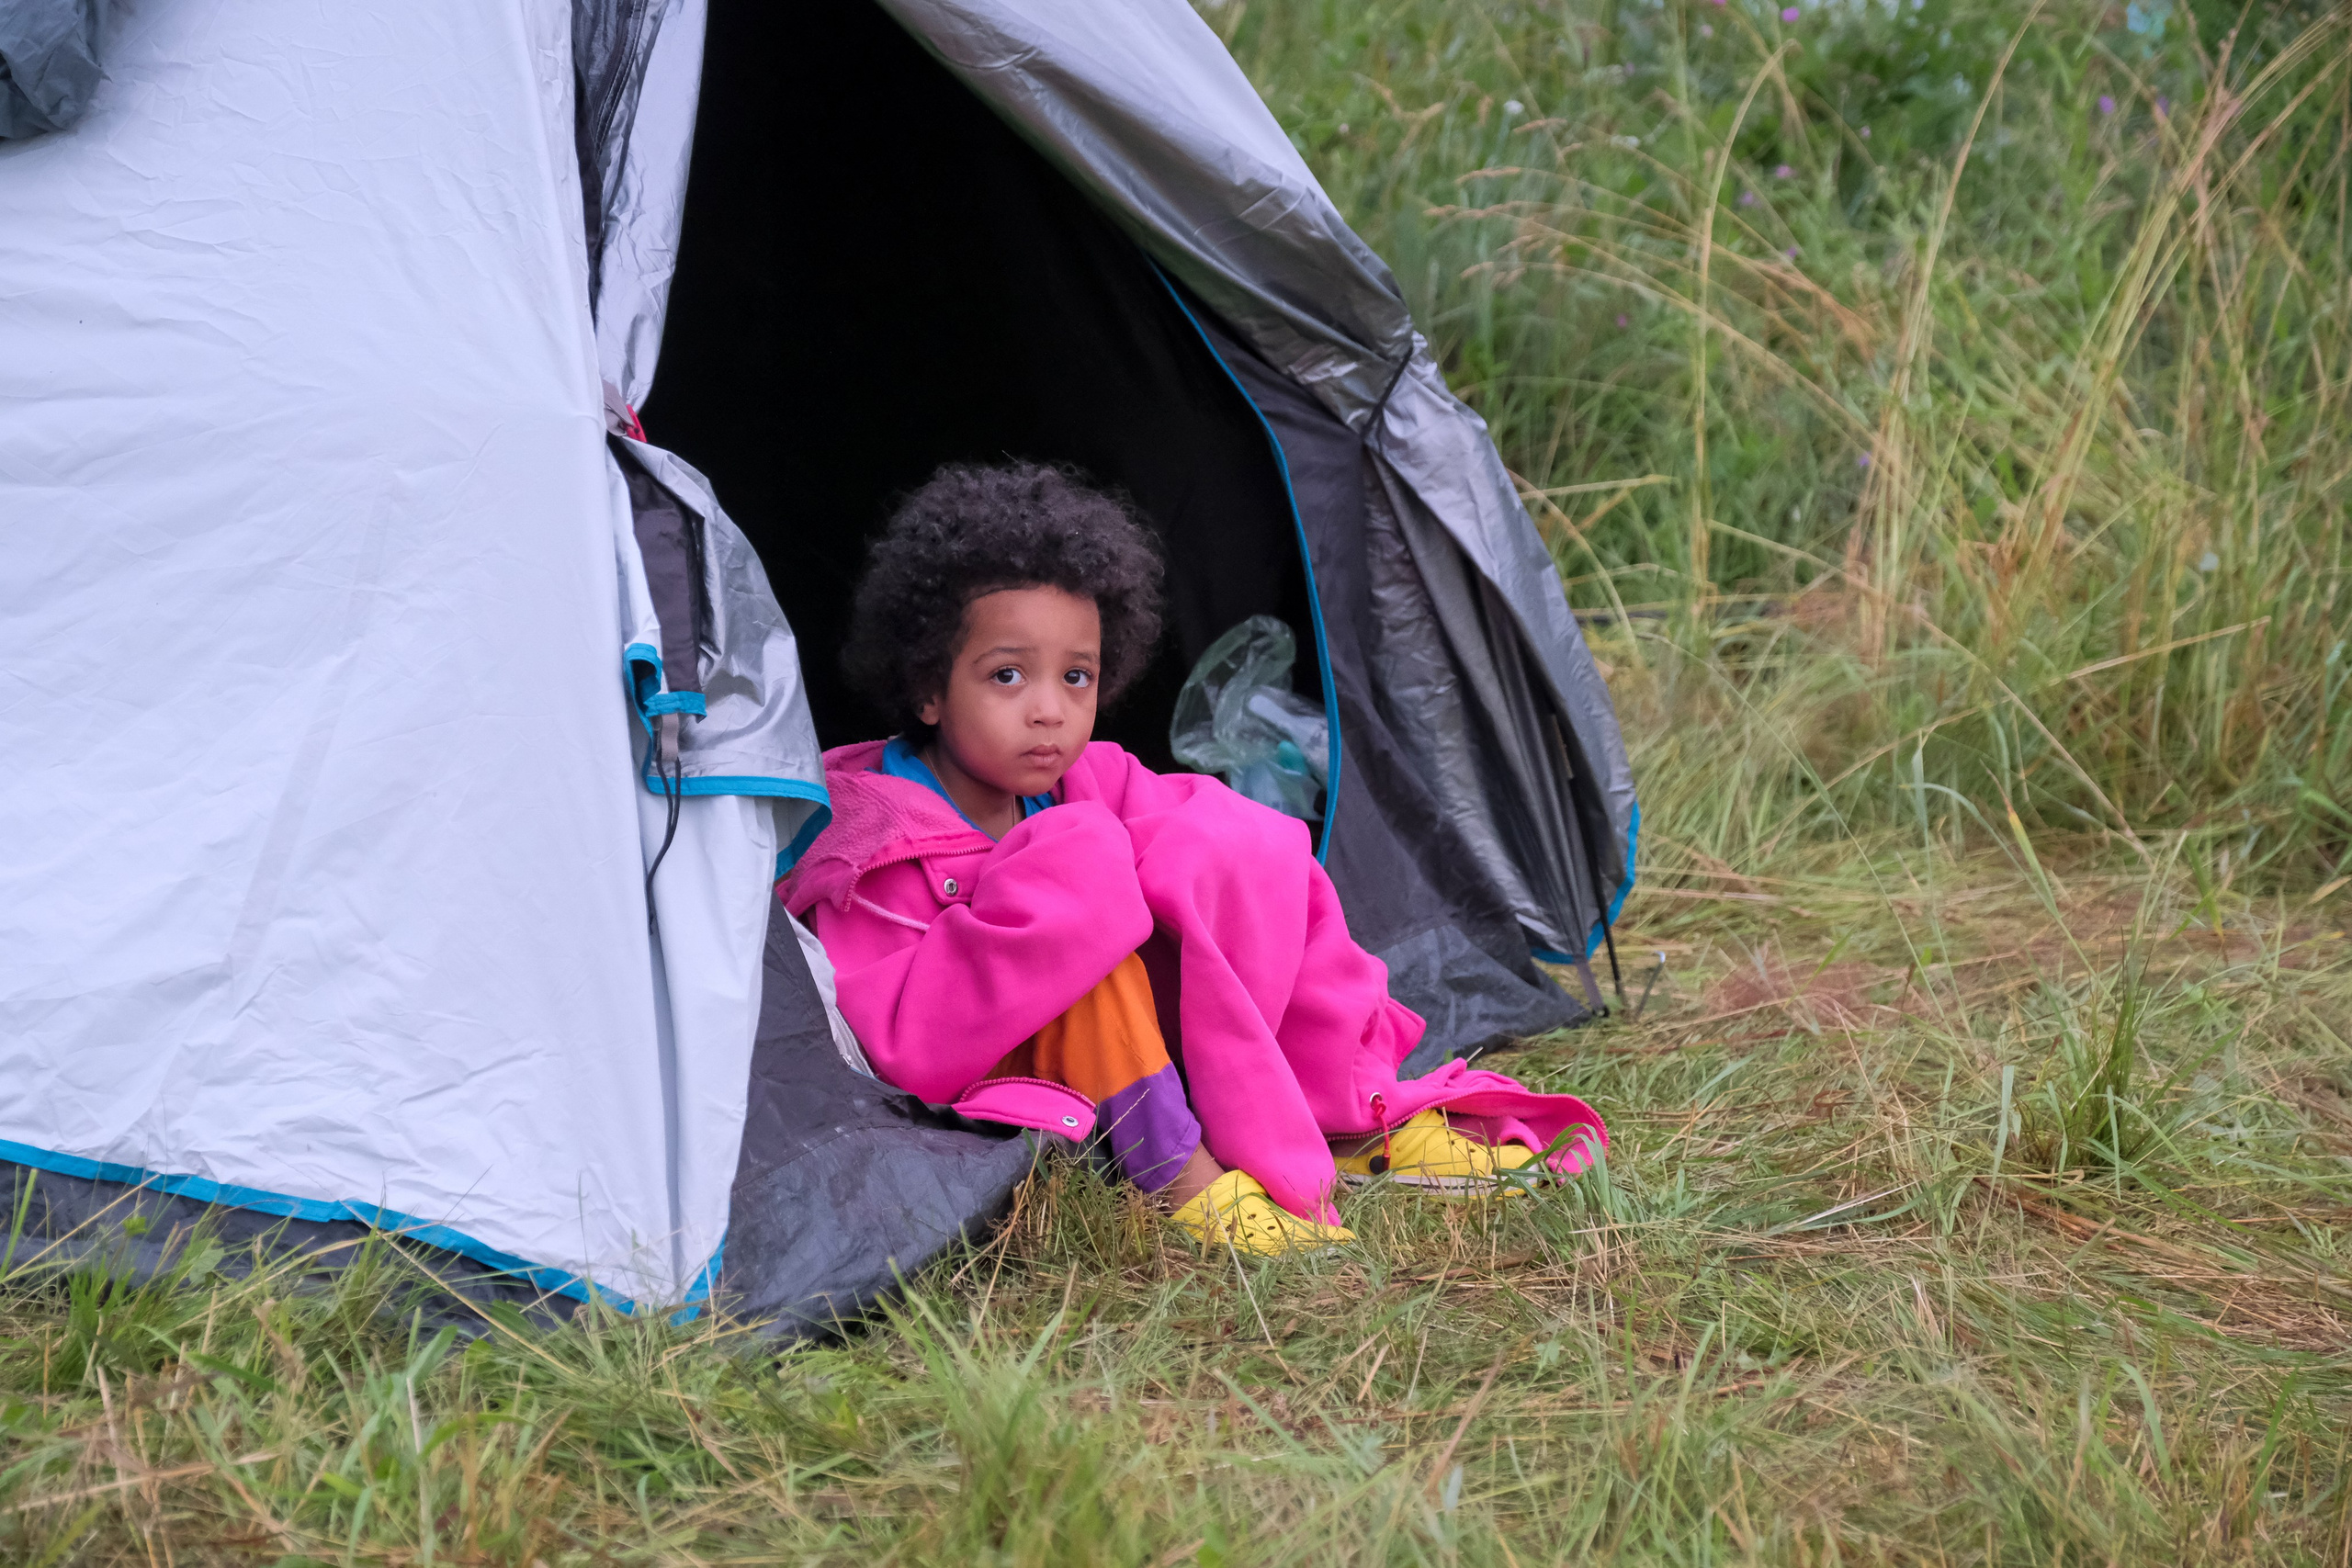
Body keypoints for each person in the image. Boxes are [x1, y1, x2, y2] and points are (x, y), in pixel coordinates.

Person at [781, 460, 1607, 1255]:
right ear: (928, 686)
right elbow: (892, 1043)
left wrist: (1226, 859)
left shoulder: (1086, 780)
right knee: (1089, 951)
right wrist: (1060, 894)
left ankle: (1348, 1110)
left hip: (1128, 1059)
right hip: (997, 1074)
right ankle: (1182, 1179)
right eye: (1007, 676)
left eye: (1077, 677)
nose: (1049, 712)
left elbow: (1221, 855)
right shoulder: (873, 838)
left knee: (1254, 854)